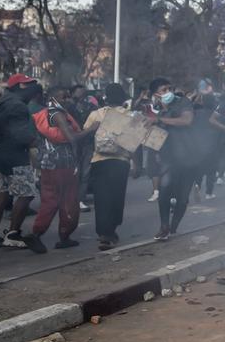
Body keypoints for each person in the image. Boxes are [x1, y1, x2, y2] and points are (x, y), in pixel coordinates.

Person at [31, 86, 92, 250]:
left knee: (52, 200)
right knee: (67, 201)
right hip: (62, 164)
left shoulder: (45, 114)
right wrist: (91, 130)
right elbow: (71, 138)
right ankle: (56, 235)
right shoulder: (57, 114)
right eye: (64, 97)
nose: (68, 100)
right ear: (54, 98)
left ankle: (42, 234)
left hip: (48, 163)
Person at [81, 84, 136, 250]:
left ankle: (104, 234)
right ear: (122, 98)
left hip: (99, 161)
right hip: (120, 161)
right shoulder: (130, 115)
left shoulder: (96, 114)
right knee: (116, 197)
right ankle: (111, 230)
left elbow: (87, 134)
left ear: (106, 97)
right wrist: (137, 163)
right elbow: (134, 142)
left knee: (102, 198)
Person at [0, 74, 43, 252]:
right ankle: (13, 235)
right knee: (27, 193)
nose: (33, 89)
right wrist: (35, 141)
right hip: (15, 157)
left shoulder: (1, 103)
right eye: (30, 85)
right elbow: (22, 135)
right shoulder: (17, 106)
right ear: (20, 86)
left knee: (2, 194)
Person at [149, 78, 196, 241]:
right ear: (156, 94)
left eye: (169, 88)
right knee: (165, 188)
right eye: (164, 90)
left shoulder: (183, 102)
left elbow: (187, 120)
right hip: (168, 158)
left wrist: (159, 120)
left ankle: (173, 226)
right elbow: (157, 135)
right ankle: (164, 226)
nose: (168, 92)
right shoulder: (160, 112)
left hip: (189, 156)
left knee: (183, 198)